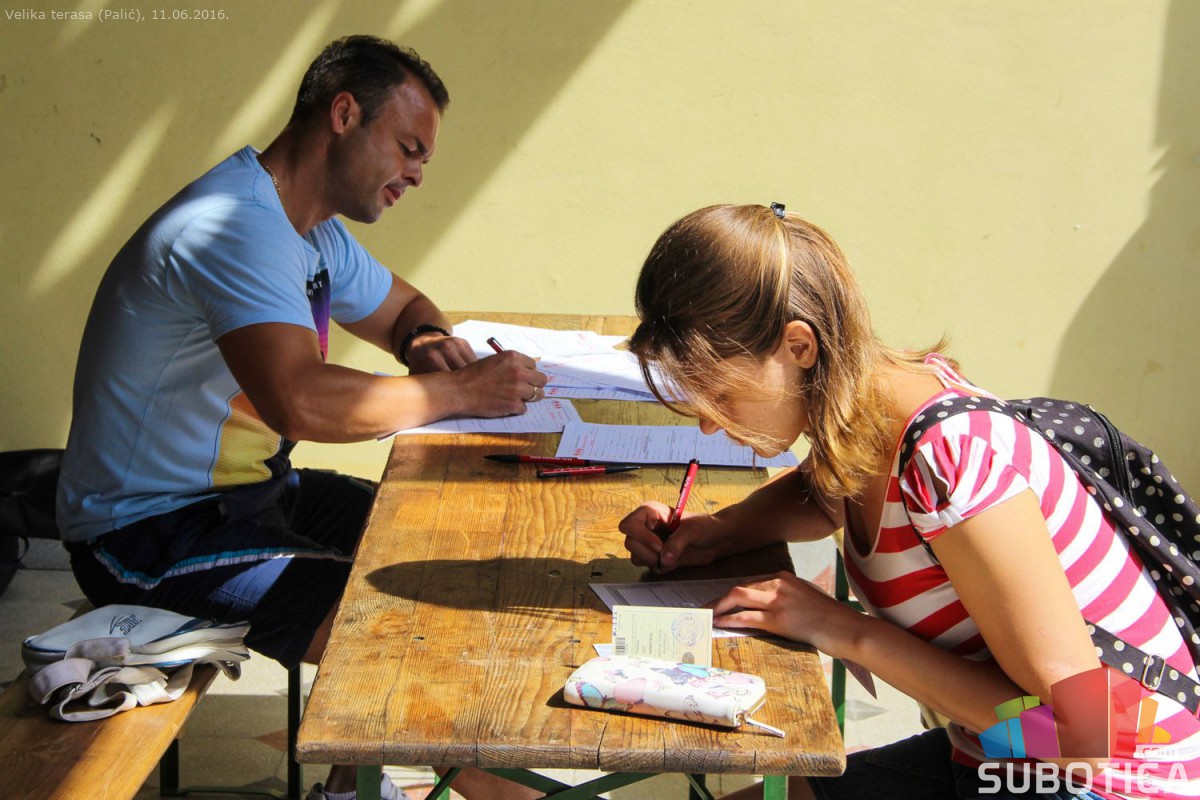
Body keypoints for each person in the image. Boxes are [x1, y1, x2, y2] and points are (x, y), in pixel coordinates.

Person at [56, 35, 542, 800]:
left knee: (443, 542)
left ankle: (355, 784)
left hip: (250, 495)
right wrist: (459, 392)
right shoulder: (236, 228)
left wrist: (426, 343)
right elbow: (300, 399)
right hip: (146, 532)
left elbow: (405, 309)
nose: (418, 174)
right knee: (401, 626)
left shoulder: (308, 229)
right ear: (344, 115)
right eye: (409, 148)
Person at [618, 204, 1199, 799]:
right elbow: (825, 495)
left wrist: (840, 628)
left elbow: (1086, 738)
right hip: (996, 756)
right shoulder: (872, 413)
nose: (710, 423)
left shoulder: (954, 459)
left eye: (722, 395)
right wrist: (721, 531)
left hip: (1117, 780)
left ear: (798, 346)